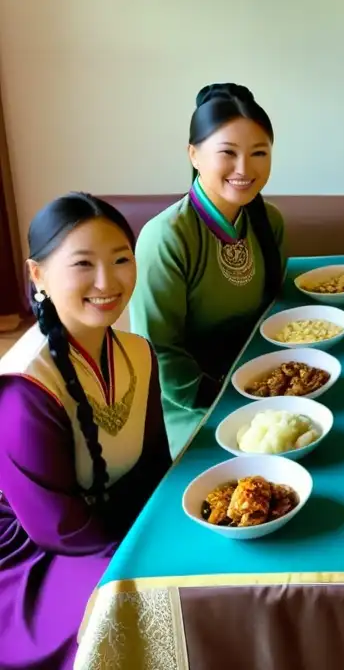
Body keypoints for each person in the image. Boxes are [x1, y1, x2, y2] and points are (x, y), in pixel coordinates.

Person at [0, 193, 171, 670]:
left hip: (110, 525)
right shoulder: (23, 387)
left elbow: (154, 467)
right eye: (83, 264)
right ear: (38, 275)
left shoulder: (137, 353)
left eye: (121, 259)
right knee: (144, 604)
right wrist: (142, 562)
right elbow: (56, 526)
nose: (106, 281)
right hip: (33, 553)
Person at [130, 83, 285, 455]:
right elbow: (159, 352)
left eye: (258, 153)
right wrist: (231, 398)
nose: (244, 169)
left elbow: (278, 312)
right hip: (192, 401)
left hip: (262, 384)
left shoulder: (269, 222)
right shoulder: (166, 237)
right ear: (194, 154)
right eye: (227, 153)